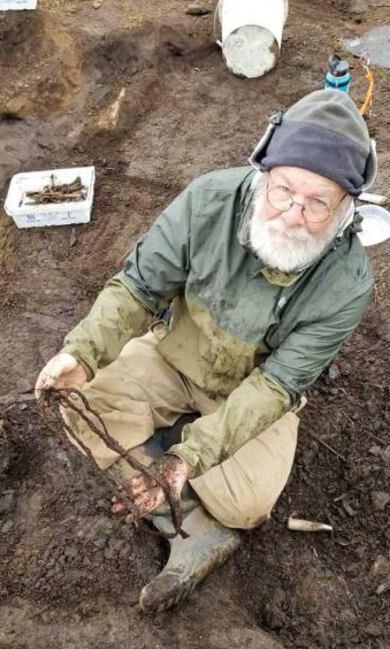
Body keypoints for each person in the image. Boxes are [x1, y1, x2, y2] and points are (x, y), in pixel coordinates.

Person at [35, 89, 377, 613]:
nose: (292, 214)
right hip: (175, 356)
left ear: (345, 209)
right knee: (79, 399)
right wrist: (80, 353)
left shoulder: (348, 281)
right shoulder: (208, 200)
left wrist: (187, 456)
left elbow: (278, 385)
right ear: (264, 173)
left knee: (247, 504)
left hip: (251, 395)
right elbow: (139, 288)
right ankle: (190, 527)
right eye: (283, 190)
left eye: (317, 203)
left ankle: (173, 464)